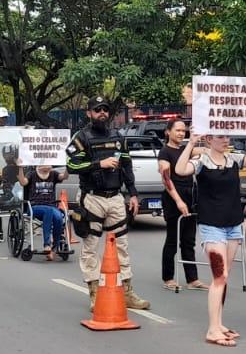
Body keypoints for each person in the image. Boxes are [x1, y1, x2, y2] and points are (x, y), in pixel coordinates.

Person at [173, 122, 246, 346]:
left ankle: (219, 323)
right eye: (221, 137)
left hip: (233, 224)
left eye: (228, 136)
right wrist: (190, 143)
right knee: (219, 276)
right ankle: (212, 329)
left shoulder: (234, 159)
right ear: (209, 140)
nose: (226, 140)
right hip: (211, 225)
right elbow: (180, 170)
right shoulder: (201, 162)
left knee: (225, 276)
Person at [66, 96, 149, 310]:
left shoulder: (118, 137)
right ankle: (94, 293)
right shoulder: (81, 137)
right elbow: (71, 166)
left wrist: (132, 194)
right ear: (89, 113)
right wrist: (98, 164)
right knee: (90, 246)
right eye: (97, 110)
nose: (102, 113)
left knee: (122, 245)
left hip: (115, 198)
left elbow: (127, 166)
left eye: (105, 110)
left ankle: (127, 292)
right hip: (92, 198)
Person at [156, 119, 205, 292]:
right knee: (172, 240)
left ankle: (192, 279)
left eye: (183, 130)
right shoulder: (164, 152)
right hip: (173, 197)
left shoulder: (186, 149)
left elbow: (207, 150)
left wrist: (205, 135)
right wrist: (178, 201)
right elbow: (166, 179)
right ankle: (168, 277)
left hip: (190, 196)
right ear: (168, 132)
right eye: (177, 130)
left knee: (189, 240)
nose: (181, 133)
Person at [19, 163, 70, 258]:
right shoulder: (32, 174)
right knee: (48, 210)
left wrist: (68, 165)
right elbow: (23, 182)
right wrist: (21, 168)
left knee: (59, 217)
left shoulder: (53, 174)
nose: (48, 165)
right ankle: (47, 244)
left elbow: (65, 176)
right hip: (35, 206)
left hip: (50, 205)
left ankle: (55, 248)